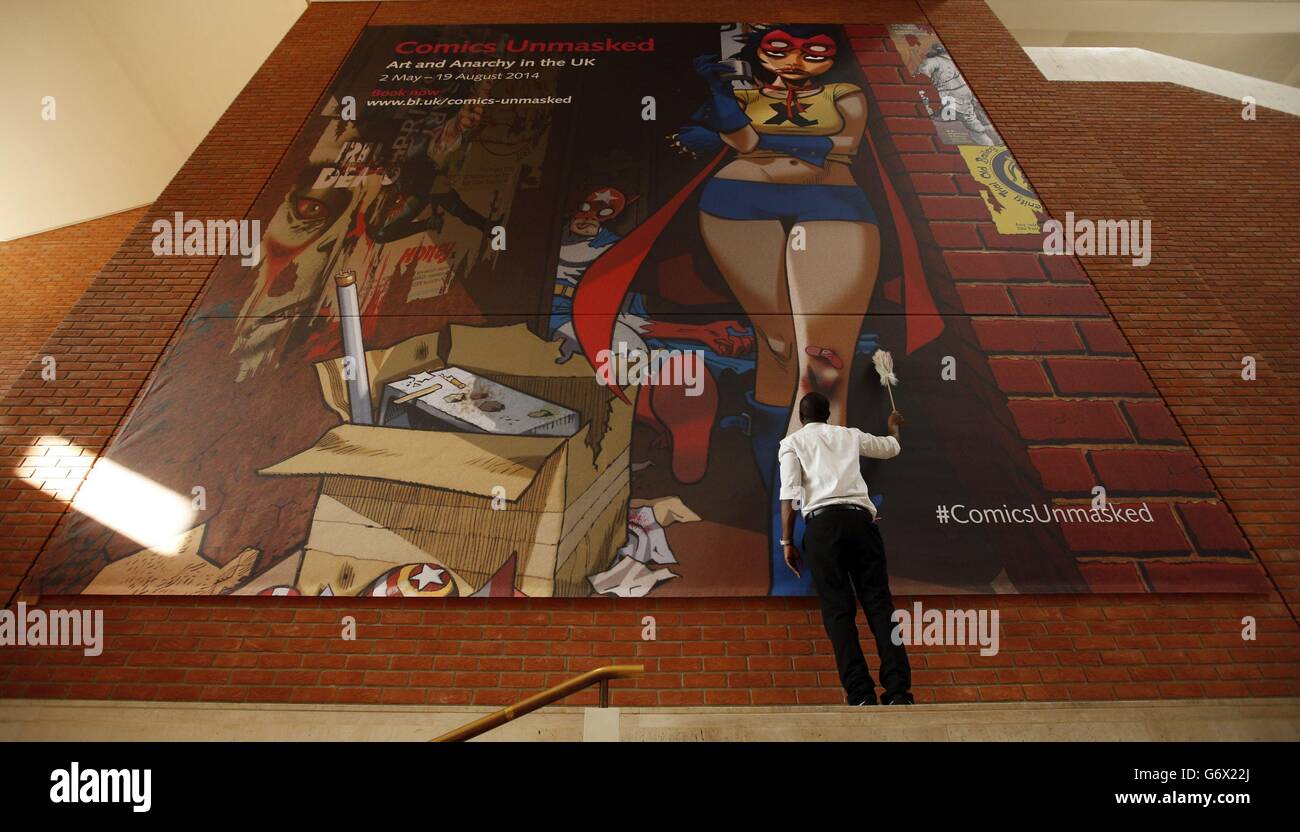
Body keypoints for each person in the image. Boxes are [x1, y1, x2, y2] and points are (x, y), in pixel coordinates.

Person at [777, 392, 913, 706]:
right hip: (861, 523)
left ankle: (860, 693)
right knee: (880, 606)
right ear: (828, 415)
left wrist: (787, 542)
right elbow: (890, 448)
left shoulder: (792, 444)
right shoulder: (848, 435)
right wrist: (893, 426)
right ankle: (899, 692)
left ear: (801, 417)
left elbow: (790, 495)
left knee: (839, 612)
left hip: (823, 528)